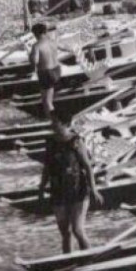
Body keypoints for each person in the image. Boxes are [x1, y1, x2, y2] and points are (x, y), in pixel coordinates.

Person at [38, 119, 100, 254]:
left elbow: (87, 166)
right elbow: (47, 167)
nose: (53, 126)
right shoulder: (51, 142)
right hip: (58, 191)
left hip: (78, 190)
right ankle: (68, 261)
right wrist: (41, 188)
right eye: (52, 124)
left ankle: (90, 259)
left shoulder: (76, 141)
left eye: (56, 123)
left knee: (77, 230)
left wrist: (94, 189)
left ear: (66, 124)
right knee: (65, 232)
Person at [31, 22, 61, 118]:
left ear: (36, 33)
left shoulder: (36, 46)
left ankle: (53, 121)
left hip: (46, 73)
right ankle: (51, 118)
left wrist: (30, 58)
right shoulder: (52, 42)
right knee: (48, 98)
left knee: (46, 101)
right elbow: (65, 47)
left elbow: (35, 61)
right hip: (57, 70)